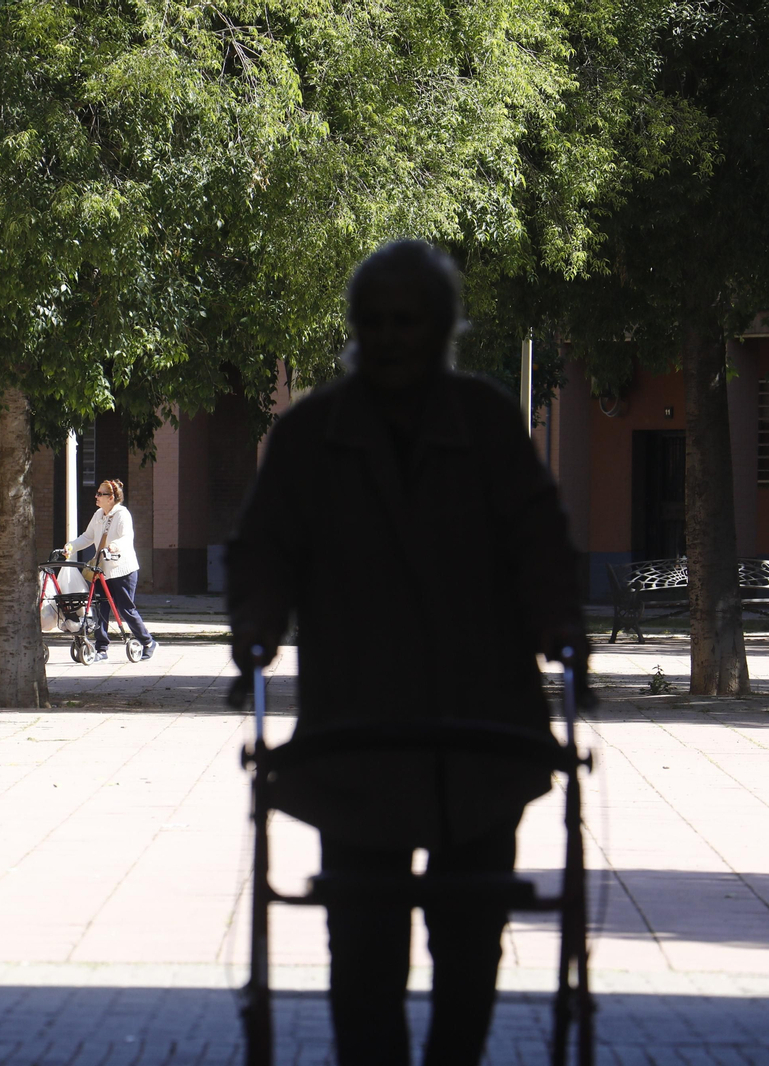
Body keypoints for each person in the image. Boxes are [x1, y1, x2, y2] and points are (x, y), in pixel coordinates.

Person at [226, 239, 588, 1066]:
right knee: (363, 959)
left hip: (480, 734)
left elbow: (541, 540)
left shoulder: (489, 425)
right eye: (375, 321)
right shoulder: (311, 434)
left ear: (441, 328)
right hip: (358, 740)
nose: (389, 337)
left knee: (470, 954)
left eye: (408, 321)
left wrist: (560, 627)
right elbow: (265, 548)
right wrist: (255, 627)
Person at [64, 479, 158, 663]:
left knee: (125, 609)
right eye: (97, 493)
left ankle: (148, 642)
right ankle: (101, 648)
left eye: (100, 494)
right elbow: (88, 536)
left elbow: (126, 538)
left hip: (123, 569)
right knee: (100, 607)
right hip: (102, 570)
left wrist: (113, 547)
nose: (96, 496)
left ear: (111, 498)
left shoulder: (123, 514)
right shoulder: (99, 514)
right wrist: (71, 546)